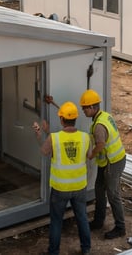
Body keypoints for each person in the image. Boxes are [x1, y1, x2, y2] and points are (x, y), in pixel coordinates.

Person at [46, 90, 127, 239]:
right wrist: (54, 104)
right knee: (99, 190)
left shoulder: (98, 126)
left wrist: (91, 155)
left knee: (112, 194)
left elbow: (101, 144)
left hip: (112, 163)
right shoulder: (103, 116)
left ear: (92, 107)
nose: (83, 111)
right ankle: (98, 221)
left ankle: (120, 227)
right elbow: (69, 118)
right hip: (110, 161)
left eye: (84, 108)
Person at [33, 102, 92, 255]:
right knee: (82, 218)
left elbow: (45, 151)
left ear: (61, 119)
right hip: (79, 187)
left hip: (60, 188)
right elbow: (87, 155)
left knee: (57, 221)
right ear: (75, 119)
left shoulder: (54, 138)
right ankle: (86, 249)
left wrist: (40, 135)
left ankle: (54, 252)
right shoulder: (85, 137)